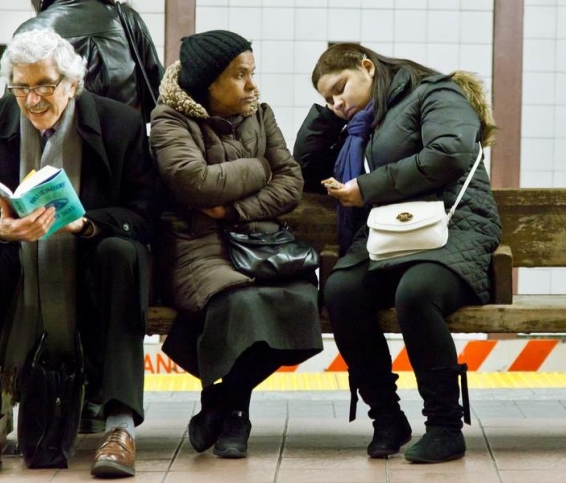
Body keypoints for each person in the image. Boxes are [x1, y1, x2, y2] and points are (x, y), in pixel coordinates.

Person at [0, 28, 156, 479]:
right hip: (18, 269)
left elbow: (146, 214)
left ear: (72, 84)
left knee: (123, 255)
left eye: (44, 85)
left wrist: (86, 224)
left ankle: (119, 426)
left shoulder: (120, 125)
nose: (32, 99)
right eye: (21, 87)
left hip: (90, 266)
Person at [294, 43, 501, 464]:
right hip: (391, 237)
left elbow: (450, 153)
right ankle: (387, 418)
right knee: (341, 291)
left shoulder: (436, 94)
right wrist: (328, 117)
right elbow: (307, 172)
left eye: (339, 89)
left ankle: (444, 425)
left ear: (367, 66)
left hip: (455, 229)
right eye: (326, 99)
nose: (336, 103)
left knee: (417, 292)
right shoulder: (362, 125)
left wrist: (367, 188)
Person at [149, 30, 323, 459]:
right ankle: (237, 418)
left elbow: (292, 183)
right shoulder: (170, 119)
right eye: (240, 75)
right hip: (196, 247)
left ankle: (221, 403)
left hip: (259, 241)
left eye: (252, 73)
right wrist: (259, 166)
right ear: (209, 82)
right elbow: (193, 181)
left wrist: (232, 211)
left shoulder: (259, 114)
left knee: (302, 298)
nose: (252, 86)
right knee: (238, 302)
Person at [15, 0, 163, 123]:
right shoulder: (127, 20)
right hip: (126, 144)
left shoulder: (31, 31)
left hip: (58, 146)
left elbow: (15, 108)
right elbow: (158, 91)